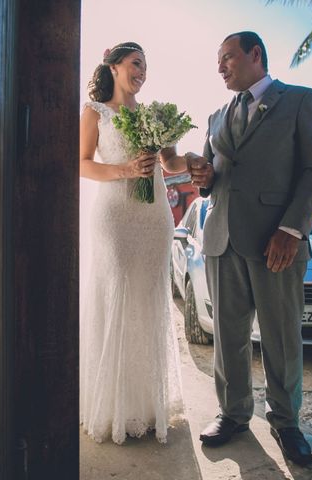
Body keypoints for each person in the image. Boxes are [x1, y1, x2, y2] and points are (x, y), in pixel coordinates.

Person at [190, 32, 312, 465]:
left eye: (227, 57)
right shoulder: (216, 115)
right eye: (218, 61)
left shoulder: (302, 100)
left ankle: (286, 422)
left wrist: (292, 229)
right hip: (221, 240)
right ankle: (233, 414)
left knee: (282, 336)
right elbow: (213, 175)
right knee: (228, 336)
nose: (220, 67)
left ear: (255, 55)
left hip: (276, 243)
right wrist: (202, 175)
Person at [79, 42, 188, 444]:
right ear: (113, 66)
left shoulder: (154, 115)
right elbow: (81, 162)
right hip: (115, 216)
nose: (142, 71)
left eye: (146, 65)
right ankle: (113, 408)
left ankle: (144, 408)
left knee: (148, 299)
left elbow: (170, 163)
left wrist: (190, 161)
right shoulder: (95, 112)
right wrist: (124, 169)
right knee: (119, 295)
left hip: (154, 216)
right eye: (136, 63)